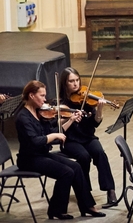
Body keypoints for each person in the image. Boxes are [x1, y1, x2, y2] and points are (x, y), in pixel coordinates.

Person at [17, 80, 105, 220]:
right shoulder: (23, 118)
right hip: (29, 159)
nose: (45, 99)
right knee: (66, 172)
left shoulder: (39, 113)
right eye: (42, 95)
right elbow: (35, 141)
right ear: (32, 96)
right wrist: (53, 136)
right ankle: (56, 210)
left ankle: (87, 206)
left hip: (42, 154)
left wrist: (70, 120)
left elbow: (52, 133)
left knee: (76, 167)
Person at [58, 67, 118, 208]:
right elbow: (57, 126)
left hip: (87, 137)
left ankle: (110, 190)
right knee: (84, 157)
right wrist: (70, 118)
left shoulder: (86, 99)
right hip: (70, 140)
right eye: (71, 81)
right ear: (65, 83)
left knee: (100, 153)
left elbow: (95, 123)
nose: (75, 84)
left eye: (77, 80)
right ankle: (85, 192)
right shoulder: (61, 102)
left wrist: (100, 109)